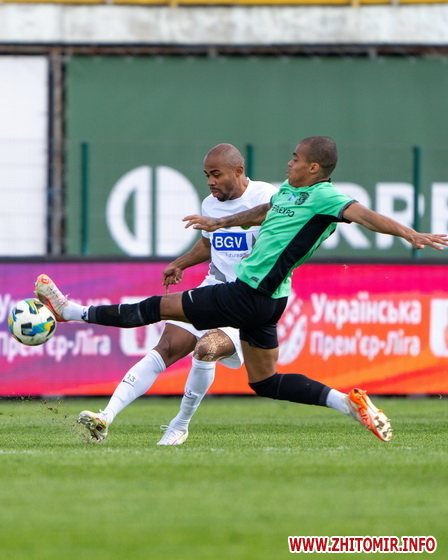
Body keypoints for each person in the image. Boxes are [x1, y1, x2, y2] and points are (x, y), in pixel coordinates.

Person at [35, 136, 448, 443]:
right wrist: (219, 223)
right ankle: (348, 402)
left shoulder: (325, 197)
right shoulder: (289, 192)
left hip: (245, 293)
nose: (289, 162)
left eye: (296, 158)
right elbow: (263, 212)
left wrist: (410, 234)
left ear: (314, 168)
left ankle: (70, 311)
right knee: (265, 382)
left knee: (154, 308)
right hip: (269, 302)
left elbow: (365, 216)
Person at [76, 144, 278, 444]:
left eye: (216, 174)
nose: (210, 181)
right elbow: (209, 244)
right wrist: (180, 263)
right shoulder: (211, 204)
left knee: (207, 349)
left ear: (238, 171)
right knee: (167, 347)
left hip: (249, 300)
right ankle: (106, 416)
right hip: (214, 288)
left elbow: (283, 238)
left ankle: (180, 425)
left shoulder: (267, 197)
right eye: (206, 175)